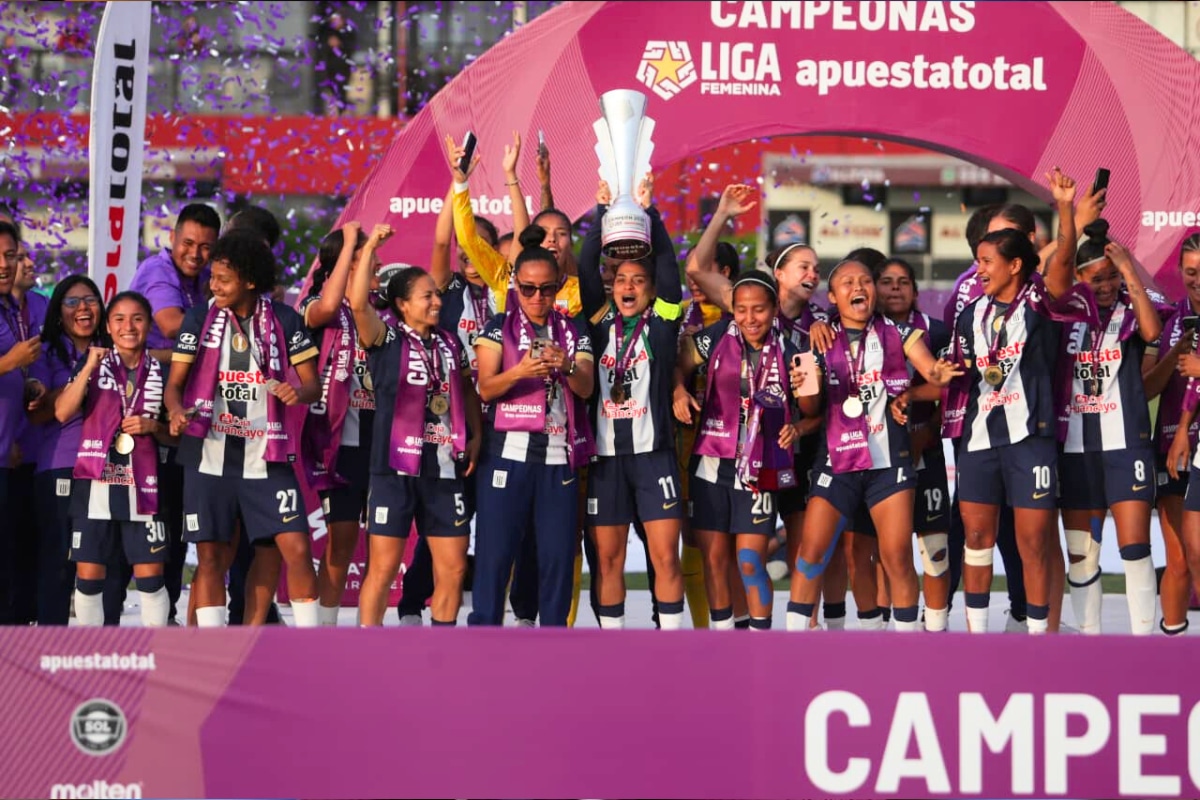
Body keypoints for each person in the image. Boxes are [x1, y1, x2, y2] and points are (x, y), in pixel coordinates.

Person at [944, 168, 1087, 634]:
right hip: (979, 441)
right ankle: (977, 638)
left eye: (987, 261)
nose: (978, 269)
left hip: (1030, 439)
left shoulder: (1040, 302)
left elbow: (1063, 263)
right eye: (977, 260)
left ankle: (1040, 639)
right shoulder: (971, 314)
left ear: (1015, 265)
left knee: (1033, 542)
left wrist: (1065, 210)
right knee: (977, 538)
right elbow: (960, 376)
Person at [786, 258, 961, 632]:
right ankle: (794, 645)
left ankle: (905, 650)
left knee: (897, 555)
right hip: (836, 463)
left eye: (865, 280)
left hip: (889, 464)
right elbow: (810, 409)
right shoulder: (816, 339)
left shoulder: (900, 333)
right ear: (833, 296)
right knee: (811, 554)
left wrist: (938, 373)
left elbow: (929, 368)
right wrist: (805, 384)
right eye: (847, 282)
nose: (858, 287)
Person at [165, 230, 323, 627]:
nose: (213, 286)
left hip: (266, 455)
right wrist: (175, 411)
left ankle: (303, 646)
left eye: (223, 279)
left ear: (250, 281)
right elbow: (175, 385)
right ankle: (216, 652)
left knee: (295, 549)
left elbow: (313, 385)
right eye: (212, 279)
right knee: (211, 557)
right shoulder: (200, 317)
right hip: (209, 454)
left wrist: (296, 391)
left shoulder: (286, 319)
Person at [349, 224, 483, 626]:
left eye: (437, 294)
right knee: (384, 569)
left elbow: (466, 390)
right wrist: (371, 244)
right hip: (393, 471)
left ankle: (440, 651)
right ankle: (369, 652)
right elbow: (358, 305)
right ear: (403, 305)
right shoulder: (384, 338)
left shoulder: (449, 342)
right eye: (427, 296)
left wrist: (474, 434)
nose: (437, 301)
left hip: (443, 469)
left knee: (454, 569)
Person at [469, 229, 596, 627]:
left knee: (558, 555)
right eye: (527, 289)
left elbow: (587, 386)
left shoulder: (572, 331)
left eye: (545, 289)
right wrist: (520, 370)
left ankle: (553, 638)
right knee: (494, 553)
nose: (537, 298)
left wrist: (567, 365)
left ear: (558, 285)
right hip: (507, 454)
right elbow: (485, 389)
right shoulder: (496, 328)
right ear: (515, 287)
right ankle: (485, 633)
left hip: (558, 456)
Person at [578, 179, 685, 629]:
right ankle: (614, 649)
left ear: (649, 289)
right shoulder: (599, 323)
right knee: (607, 561)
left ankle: (672, 644)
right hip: (605, 461)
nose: (628, 286)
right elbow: (586, 269)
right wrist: (602, 212)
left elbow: (669, 272)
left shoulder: (661, 324)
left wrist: (652, 214)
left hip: (654, 458)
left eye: (638, 281)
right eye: (620, 279)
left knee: (666, 559)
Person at [674, 271, 804, 630]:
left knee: (749, 560)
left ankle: (761, 639)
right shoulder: (715, 337)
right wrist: (678, 391)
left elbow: (815, 410)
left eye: (759, 310)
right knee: (715, 560)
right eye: (741, 310)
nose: (750, 318)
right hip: (711, 464)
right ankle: (725, 636)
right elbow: (678, 364)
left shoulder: (794, 351)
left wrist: (799, 425)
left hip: (761, 469)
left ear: (775, 308)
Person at [1057, 219, 1162, 635]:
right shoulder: (1063, 314)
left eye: (1112, 277)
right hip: (1076, 447)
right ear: (1079, 277)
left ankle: (1143, 643)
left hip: (1126, 445)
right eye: (1096, 278)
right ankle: (1090, 643)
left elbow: (1153, 331)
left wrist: (1130, 272)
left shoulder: (1131, 311)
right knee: (1082, 555)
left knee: (1136, 548)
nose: (1105, 286)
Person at [55, 292, 173, 627]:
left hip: (145, 486)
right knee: (89, 578)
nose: (128, 326)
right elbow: (62, 411)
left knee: (151, 580)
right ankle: (93, 654)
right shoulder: (93, 365)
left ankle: (155, 654)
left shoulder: (161, 371)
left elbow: (178, 435)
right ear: (107, 326)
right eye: (119, 319)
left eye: (137, 318)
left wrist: (154, 426)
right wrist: (90, 364)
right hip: (95, 484)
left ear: (149, 325)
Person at [130, 202, 221, 625]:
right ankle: (156, 619)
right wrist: (227, 330)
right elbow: (170, 325)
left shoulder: (205, 277)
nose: (195, 253)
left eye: (205, 247)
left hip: (189, 407)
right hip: (149, 408)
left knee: (192, 514)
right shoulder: (158, 271)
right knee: (161, 514)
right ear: (172, 239)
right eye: (188, 243)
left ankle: (188, 616)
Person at [300, 223, 375, 624]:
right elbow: (327, 310)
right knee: (341, 541)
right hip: (336, 442)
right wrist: (350, 243)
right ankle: (324, 631)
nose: (375, 263)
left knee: (377, 546)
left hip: (378, 441)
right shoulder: (315, 304)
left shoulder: (376, 310)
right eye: (366, 257)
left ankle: (368, 631)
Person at [875, 257, 954, 631]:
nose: (894, 288)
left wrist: (929, 430)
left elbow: (955, 388)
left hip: (927, 451)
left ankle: (935, 629)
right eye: (887, 281)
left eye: (902, 282)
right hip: (877, 457)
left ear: (915, 291)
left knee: (936, 549)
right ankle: (879, 632)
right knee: (884, 553)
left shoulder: (936, 333)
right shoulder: (859, 331)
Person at [25, 276, 105, 625]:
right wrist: (81, 377)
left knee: (102, 566)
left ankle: (102, 656)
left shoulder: (115, 345)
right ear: (58, 312)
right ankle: (50, 651)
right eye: (72, 302)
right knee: (58, 565)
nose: (83, 308)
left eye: (90, 300)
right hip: (61, 466)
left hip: (110, 470)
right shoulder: (46, 352)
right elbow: (43, 412)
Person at [1145, 234, 1200, 635]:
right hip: (1173, 448)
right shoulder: (1167, 318)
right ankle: (1173, 646)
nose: (1197, 279)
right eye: (1192, 271)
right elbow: (1147, 387)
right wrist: (1176, 352)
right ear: (1179, 272)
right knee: (1180, 557)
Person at [7, 235, 49, 624]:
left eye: (16, 254)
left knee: (28, 547)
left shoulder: (37, 306)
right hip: (7, 448)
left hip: (32, 448)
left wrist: (32, 383)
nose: (22, 262)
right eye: (13, 256)